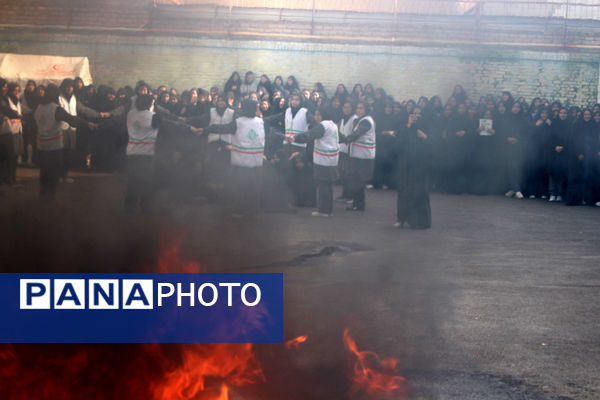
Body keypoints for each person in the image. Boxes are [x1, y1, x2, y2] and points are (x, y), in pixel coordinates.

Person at [125, 94, 202, 213]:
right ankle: (145, 209)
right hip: (146, 154)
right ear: (149, 104)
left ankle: (129, 209)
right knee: (147, 182)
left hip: (131, 153)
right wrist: (190, 128)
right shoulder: (152, 117)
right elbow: (170, 125)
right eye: (152, 104)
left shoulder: (131, 113)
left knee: (132, 182)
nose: (153, 106)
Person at [33, 84, 99, 199]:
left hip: (41, 144)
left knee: (44, 169)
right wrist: (87, 123)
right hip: (53, 145)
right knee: (53, 169)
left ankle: (43, 193)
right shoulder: (55, 108)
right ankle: (50, 195)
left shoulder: (39, 107)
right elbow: (71, 119)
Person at [205, 99, 265, 215]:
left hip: (242, 161)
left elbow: (221, 128)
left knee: (241, 185)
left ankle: (241, 208)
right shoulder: (260, 122)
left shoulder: (238, 122)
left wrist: (206, 129)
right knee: (253, 186)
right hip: (254, 161)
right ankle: (253, 209)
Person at [288, 107, 339, 217]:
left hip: (323, 160)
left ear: (324, 115)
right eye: (315, 114)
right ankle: (328, 210)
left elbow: (309, 135)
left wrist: (295, 138)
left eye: (319, 115)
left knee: (322, 185)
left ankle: (323, 211)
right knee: (328, 185)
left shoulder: (322, 126)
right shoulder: (333, 125)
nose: (316, 117)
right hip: (332, 159)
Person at [395, 106, 431, 229]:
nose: (416, 117)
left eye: (418, 114)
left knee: (418, 192)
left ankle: (417, 220)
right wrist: (408, 126)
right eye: (413, 114)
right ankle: (401, 218)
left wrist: (425, 137)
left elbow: (434, 144)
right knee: (404, 191)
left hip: (419, 165)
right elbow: (398, 143)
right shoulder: (404, 127)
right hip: (405, 164)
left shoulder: (426, 126)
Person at [341, 101, 376, 211]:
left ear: (366, 110)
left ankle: (359, 205)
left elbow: (357, 133)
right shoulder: (361, 120)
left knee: (358, 181)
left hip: (363, 156)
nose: (358, 110)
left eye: (361, 108)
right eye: (357, 108)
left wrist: (347, 139)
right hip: (359, 155)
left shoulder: (366, 121)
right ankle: (357, 204)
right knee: (356, 180)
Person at [566, 109, 598, 206]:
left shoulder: (594, 125)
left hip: (591, 156)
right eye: (585, 114)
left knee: (589, 178)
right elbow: (574, 140)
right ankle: (576, 199)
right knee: (576, 178)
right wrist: (579, 153)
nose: (587, 116)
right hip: (578, 156)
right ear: (582, 115)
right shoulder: (577, 125)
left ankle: (588, 200)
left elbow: (596, 140)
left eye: (589, 114)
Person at [547, 107, 569, 202]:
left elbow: (570, 138)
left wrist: (563, 147)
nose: (563, 114)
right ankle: (552, 193)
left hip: (564, 152)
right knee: (552, 174)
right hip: (553, 152)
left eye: (564, 113)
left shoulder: (569, 125)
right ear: (558, 114)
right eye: (561, 112)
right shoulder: (554, 124)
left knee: (561, 174)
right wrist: (555, 146)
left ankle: (559, 194)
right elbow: (550, 137)